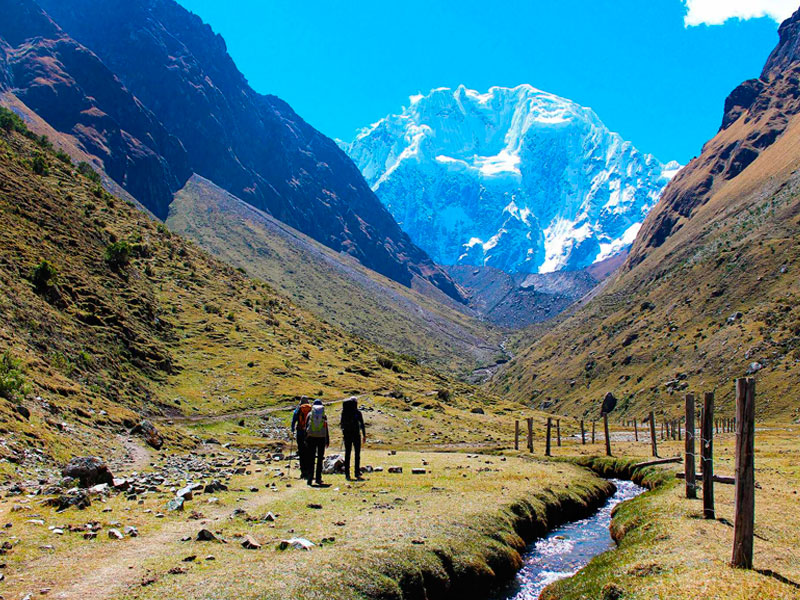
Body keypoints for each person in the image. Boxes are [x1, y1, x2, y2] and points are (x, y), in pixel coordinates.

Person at [340, 397, 366, 481]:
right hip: (356, 435)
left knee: (347, 454)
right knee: (357, 454)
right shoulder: (357, 412)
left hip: (347, 435)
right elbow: (362, 424)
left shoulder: (344, 412)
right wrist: (364, 435)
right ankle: (356, 472)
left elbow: (341, 424)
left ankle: (347, 474)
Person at [305, 399, 329, 486]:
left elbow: (306, 426)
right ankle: (318, 478)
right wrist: (327, 440)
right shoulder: (324, 415)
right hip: (322, 438)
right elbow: (326, 428)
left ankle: (310, 479)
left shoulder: (310, 414)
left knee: (311, 458)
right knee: (320, 458)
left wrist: (305, 438)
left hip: (311, 438)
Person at [291, 397, 312, 480]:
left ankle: (303, 472)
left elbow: (294, 420)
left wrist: (292, 429)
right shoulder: (311, 408)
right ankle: (310, 471)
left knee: (301, 452)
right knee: (309, 452)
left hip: (300, 432)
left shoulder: (298, 409)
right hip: (309, 433)